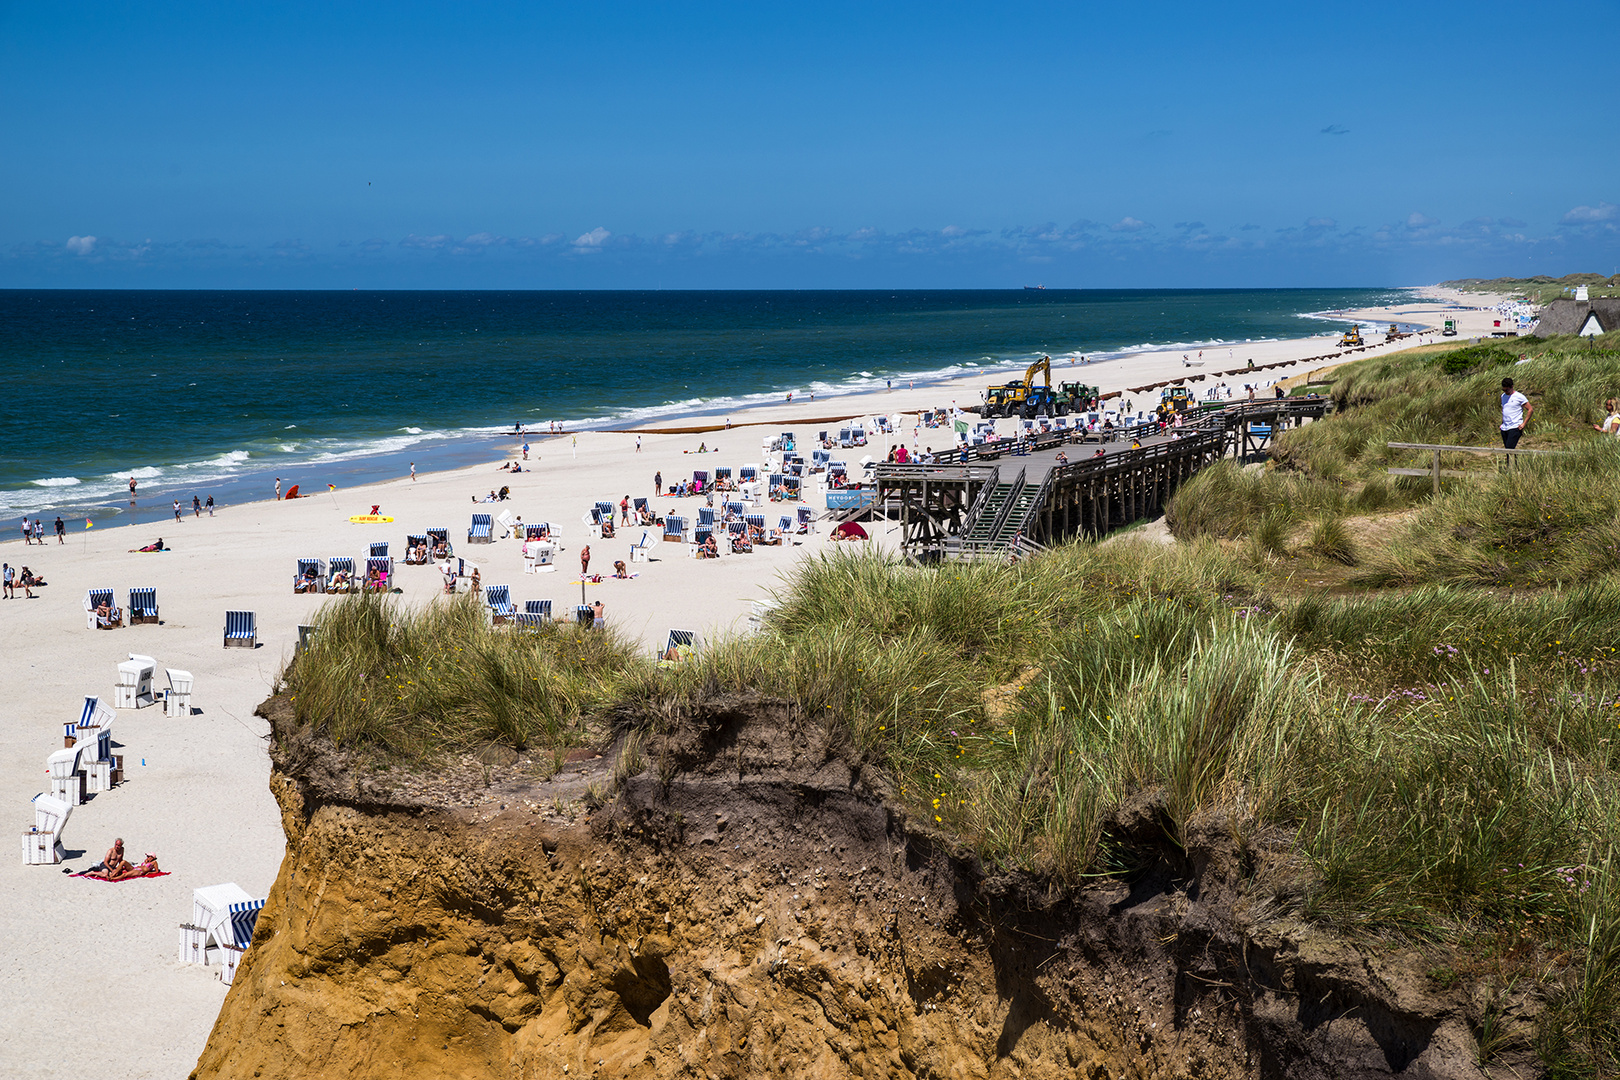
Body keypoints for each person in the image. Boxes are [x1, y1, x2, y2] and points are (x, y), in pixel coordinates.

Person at [1500, 377, 1532, 449]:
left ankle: (1512, 460)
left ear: (1512, 387)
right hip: (1505, 427)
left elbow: (1530, 409)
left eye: (1507, 390)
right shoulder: (1503, 396)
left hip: (1515, 427)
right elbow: (1504, 410)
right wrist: (1502, 423)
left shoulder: (1519, 397)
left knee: (1509, 447)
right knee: (1507, 449)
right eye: (1503, 390)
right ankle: (1511, 460)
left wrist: (1524, 424)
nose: (1505, 392)